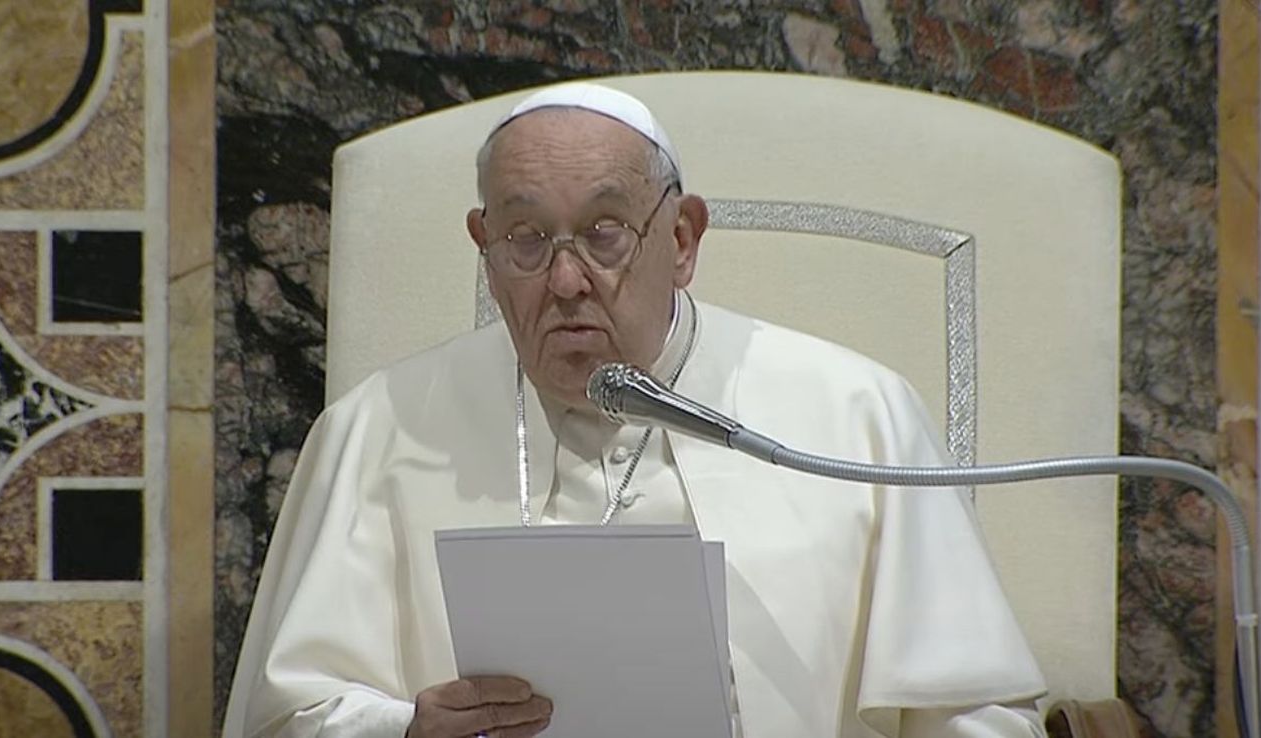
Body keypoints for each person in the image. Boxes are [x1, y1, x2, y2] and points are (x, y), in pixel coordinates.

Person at [224, 81, 1048, 738]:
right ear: (484, 244)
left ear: (683, 239)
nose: (566, 279)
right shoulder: (377, 431)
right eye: (525, 240)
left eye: (605, 232)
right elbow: (287, 716)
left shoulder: (854, 416)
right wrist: (404, 733)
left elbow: (973, 716)